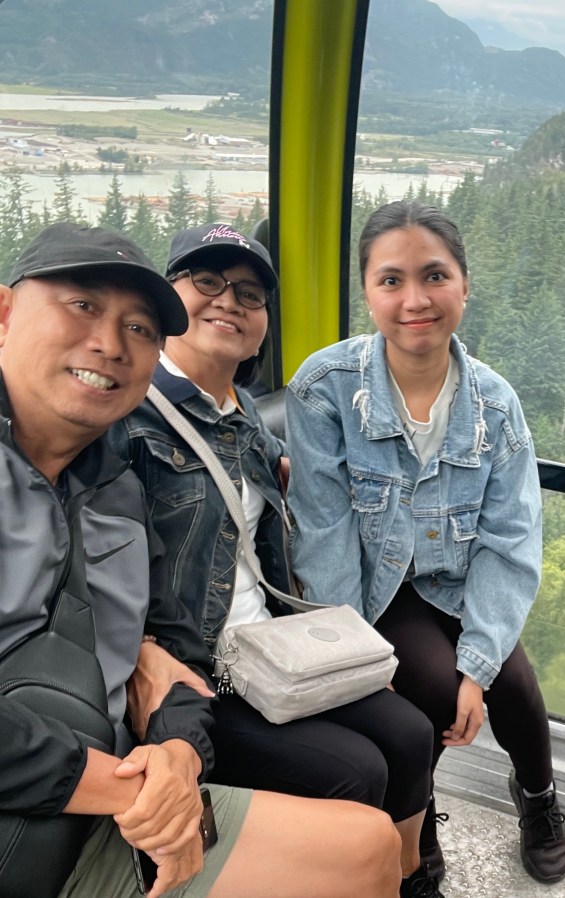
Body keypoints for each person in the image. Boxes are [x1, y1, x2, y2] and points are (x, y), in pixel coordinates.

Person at [0, 222, 401, 898]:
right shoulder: (139, 445)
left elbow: (170, 649)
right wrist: (133, 790)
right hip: (78, 798)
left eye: (138, 328)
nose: (110, 344)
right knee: (354, 777)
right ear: (5, 314)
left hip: (107, 796)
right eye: (82, 306)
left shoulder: (115, 489)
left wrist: (181, 755)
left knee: (373, 844)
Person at [107, 224, 439, 896]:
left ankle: (411, 879)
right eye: (206, 281)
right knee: (356, 769)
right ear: (167, 302)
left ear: (262, 328)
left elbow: (269, 521)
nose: (228, 301)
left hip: (267, 646)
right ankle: (349, 870)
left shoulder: (247, 418)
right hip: (200, 668)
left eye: (250, 294)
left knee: (410, 731)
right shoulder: (128, 418)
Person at [285, 200, 565, 885]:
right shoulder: (326, 389)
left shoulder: (495, 406)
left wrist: (479, 666)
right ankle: (420, 813)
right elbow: (324, 533)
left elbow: (509, 542)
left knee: (513, 685)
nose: (414, 300)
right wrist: (355, 657)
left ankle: (537, 797)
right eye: (391, 280)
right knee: (437, 691)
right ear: (367, 292)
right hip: (374, 587)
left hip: (459, 574)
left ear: (464, 286)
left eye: (434, 276)